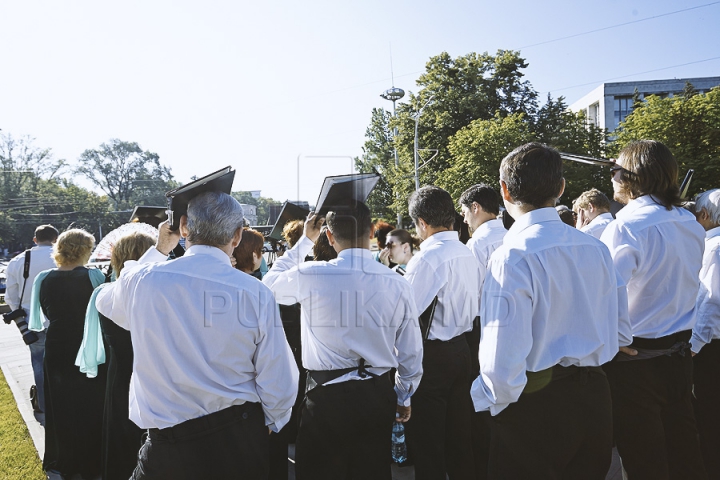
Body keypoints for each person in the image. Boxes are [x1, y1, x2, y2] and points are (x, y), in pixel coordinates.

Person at [96, 191, 299, 479]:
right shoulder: (255, 292)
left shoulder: (142, 280)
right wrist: (272, 419)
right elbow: (277, 375)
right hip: (236, 436)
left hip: (170, 443)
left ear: (183, 227)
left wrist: (159, 249)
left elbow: (106, 301)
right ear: (238, 235)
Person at [471, 143, 622, 479]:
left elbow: (501, 359)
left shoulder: (511, 256)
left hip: (535, 405)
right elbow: (619, 328)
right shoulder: (596, 248)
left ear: (505, 190)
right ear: (561, 187)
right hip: (595, 397)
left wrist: (483, 398)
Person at [263, 201, 422, 480]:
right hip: (376, 394)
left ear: (329, 236)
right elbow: (411, 351)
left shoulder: (310, 274)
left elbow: (267, 288)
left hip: (326, 398)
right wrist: (403, 393)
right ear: (372, 231)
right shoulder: (397, 282)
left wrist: (303, 244)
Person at [601, 139, 706, 480]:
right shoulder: (688, 222)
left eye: (615, 169)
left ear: (633, 176)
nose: (612, 176)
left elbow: (607, 291)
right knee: (684, 451)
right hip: (678, 355)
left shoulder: (625, 227)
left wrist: (614, 338)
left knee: (644, 460)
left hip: (637, 362)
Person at [403, 185, 479, 480]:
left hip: (434, 358)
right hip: (463, 348)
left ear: (421, 222)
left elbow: (405, 313)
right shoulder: (466, 251)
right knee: (461, 438)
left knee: (428, 443)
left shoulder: (427, 258)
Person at [28, 229, 107, 478]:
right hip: (89, 347)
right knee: (91, 403)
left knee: (60, 405)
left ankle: (64, 458)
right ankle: (92, 458)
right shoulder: (95, 276)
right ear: (85, 250)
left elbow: (42, 316)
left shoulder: (43, 278)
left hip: (58, 347)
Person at [458, 183, 506, 479]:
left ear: (476, 207)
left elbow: (470, 296)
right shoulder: (512, 235)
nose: (463, 219)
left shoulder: (477, 244)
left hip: (482, 330)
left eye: (464, 212)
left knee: (482, 408)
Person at [4, 224, 59, 413]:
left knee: (39, 363)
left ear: (35, 240)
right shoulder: (63, 257)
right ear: (56, 239)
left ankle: (44, 406)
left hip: (31, 321)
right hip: (60, 318)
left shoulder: (18, 261)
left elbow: (10, 298)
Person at [688, 188, 720, 479]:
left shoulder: (715, 247)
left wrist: (694, 346)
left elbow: (710, 300)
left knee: (710, 419)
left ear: (705, 215)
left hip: (712, 348)